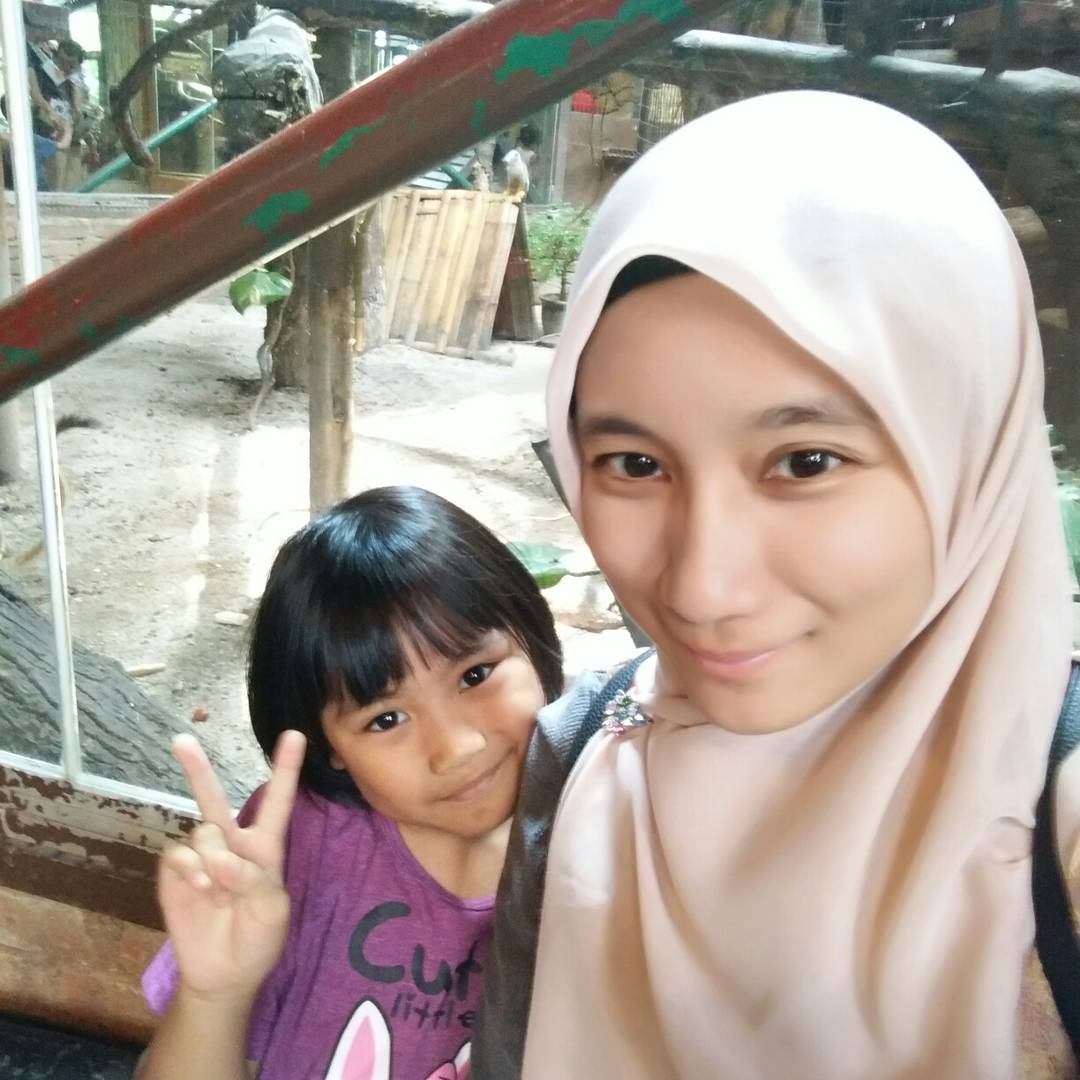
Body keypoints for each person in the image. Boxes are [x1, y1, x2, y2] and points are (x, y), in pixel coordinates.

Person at [473, 91, 1078, 1079]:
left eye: (806, 463)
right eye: (634, 464)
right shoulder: (579, 753)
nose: (701, 588)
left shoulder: (1061, 827)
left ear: (970, 449)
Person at [138, 486, 563, 1080]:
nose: (456, 749)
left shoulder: (608, 832)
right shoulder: (295, 847)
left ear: (533, 638)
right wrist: (215, 995)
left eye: (476, 674)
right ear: (329, 747)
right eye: (386, 719)